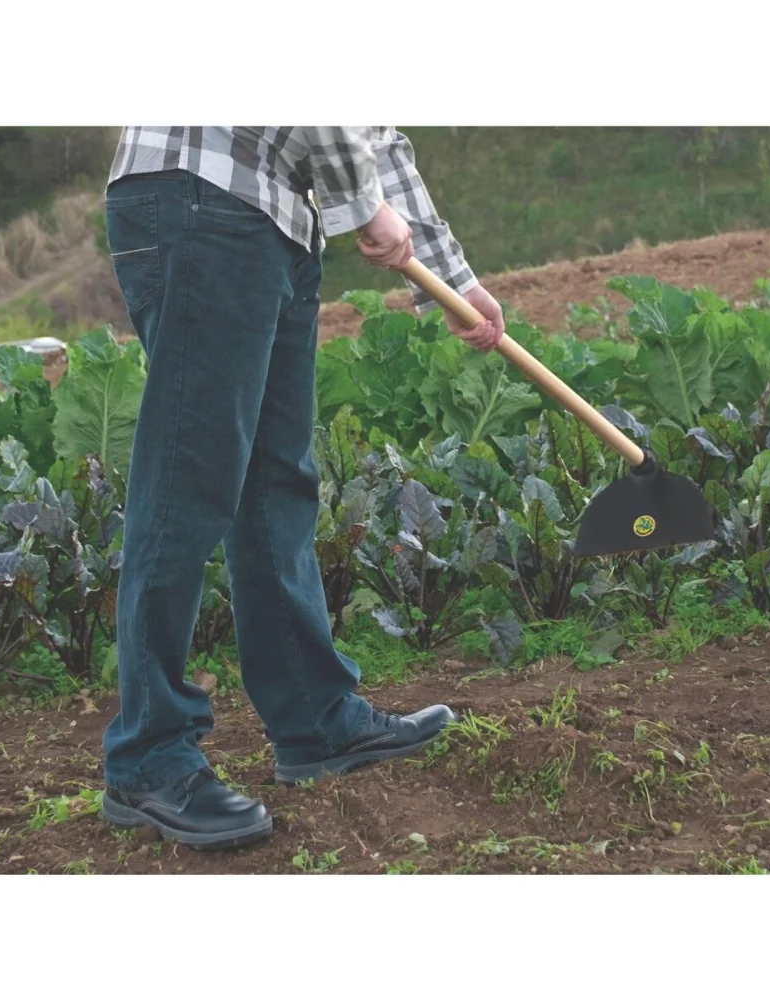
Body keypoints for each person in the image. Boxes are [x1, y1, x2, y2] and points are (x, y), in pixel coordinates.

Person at [99, 127, 506, 850]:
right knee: (188, 479)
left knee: (275, 479)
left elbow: (371, 131)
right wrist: (359, 204)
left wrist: (453, 277)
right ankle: (149, 756)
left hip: (271, 220)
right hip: (203, 197)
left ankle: (315, 720)